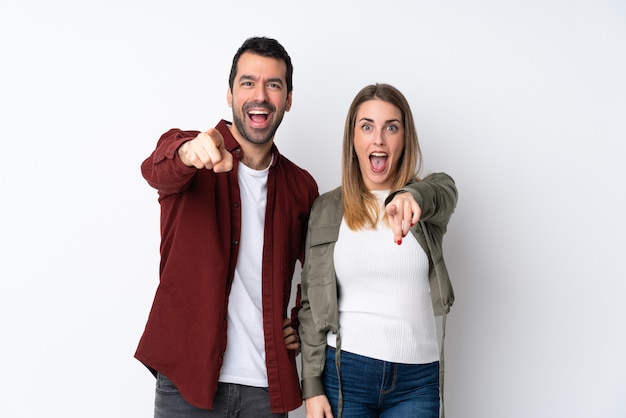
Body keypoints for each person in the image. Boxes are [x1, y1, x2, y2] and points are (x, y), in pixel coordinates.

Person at [134, 36, 319, 418]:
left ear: (288, 99)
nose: (260, 95)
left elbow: (322, 269)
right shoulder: (194, 156)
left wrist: (302, 320)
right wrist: (188, 152)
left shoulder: (301, 187)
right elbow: (156, 170)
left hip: (266, 391)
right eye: (248, 82)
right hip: (188, 382)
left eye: (274, 85)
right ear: (230, 94)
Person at [298, 83, 458, 418]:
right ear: (353, 139)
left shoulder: (423, 206)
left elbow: (446, 188)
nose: (379, 139)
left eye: (391, 127)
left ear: (404, 138)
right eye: (367, 126)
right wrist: (311, 387)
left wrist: (414, 195)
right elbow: (312, 303)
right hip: (346, 375)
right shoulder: (327, 208)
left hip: (417, 380)